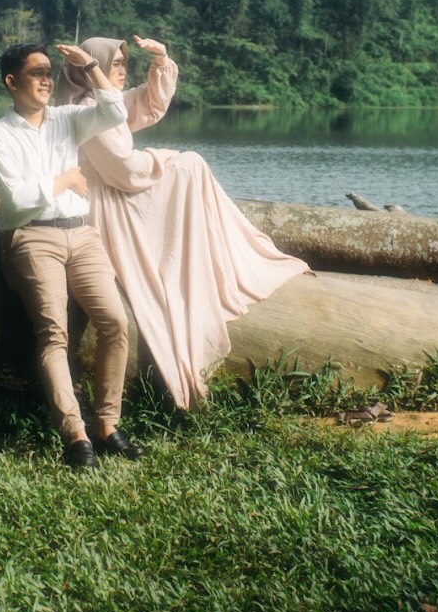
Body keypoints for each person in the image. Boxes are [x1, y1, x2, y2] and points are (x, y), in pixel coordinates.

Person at [55, 35, 312, 409]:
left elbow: (147, 104)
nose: (123, 71)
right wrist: (165, 157)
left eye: (124, 64)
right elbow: (125, 171)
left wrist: (161, 60)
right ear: (89, 69)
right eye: (115, 64)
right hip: (109, 206)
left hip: (119, 192)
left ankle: (221, 258)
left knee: (191, 165)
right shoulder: (86, 108)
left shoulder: (100, 101)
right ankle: (220, 261)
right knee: (190, 165)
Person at [0, 42, 145, 469]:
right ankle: (75, 435)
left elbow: (115, 111)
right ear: (11, 82)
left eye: (49, 72)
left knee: (115, 322)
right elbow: (17, 200)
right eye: (36, 73)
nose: (46, 80)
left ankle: (107, 426)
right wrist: (67, 179)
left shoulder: (67, 118)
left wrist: (89, 65)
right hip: (32, 237)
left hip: (81, 235)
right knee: (54, 334)